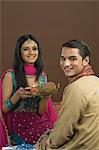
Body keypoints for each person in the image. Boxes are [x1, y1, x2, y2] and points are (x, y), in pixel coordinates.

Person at [36, 40, 99, 150]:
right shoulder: (95, 81)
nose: (66, 64)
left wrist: (45, 146)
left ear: (86, 61)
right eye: (63, 58)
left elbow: (63, 131)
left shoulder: (76, 88)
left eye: (73, 59)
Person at [0, 34, 57, 148]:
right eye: (26, 49)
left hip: (39, 123)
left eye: (34, 49)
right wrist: (17, 96)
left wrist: (46, 96)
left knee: (57, 138)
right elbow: (4, 109)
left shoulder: (42, 76)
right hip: (19, 127)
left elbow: (41, 112)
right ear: (19, 53)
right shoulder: (10, 75)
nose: (31, 52)